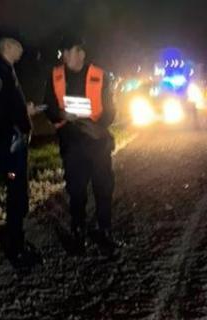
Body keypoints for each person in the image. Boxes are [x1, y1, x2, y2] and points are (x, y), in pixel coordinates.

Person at [43, 34, 117, 253]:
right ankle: (78, 232)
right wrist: (61, 113)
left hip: (97, 143)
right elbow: (49, 106)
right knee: (76, 192)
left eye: (76, 51)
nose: (67, 55)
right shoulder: (54, 76)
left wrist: (99, 126)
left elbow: (110, 110)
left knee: (103, 188)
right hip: (72, 143)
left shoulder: (99, 75)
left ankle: (105, 231)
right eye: (69, 51)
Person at [0, 36, 41, 265]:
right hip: (11, 146)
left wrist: (25, 111)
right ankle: (16, 249)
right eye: (18, 45)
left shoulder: (7, 70)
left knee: (18, 192)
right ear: (7, 47)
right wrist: (19, 123)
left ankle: (17, 240)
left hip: (15, 143)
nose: (21, 49)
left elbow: (10, 106)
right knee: (15, 192)